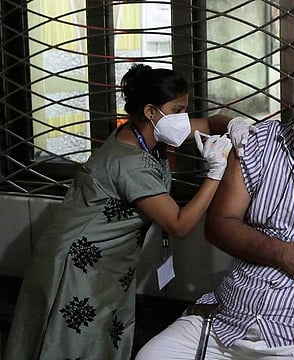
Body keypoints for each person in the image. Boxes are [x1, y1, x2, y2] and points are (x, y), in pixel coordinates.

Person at [136, 49, 294, 359]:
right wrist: (282, 253)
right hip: (234, 314)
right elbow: (219, 224)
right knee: (152, 356)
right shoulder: (260, 144)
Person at [3, 63, 253, 360]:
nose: (183, 119)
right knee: (74, 343)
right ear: (151, 111)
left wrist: (235, 124)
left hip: (108, 263)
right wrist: (215, 172)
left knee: (104, 336)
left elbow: (212, 123)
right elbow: (179, 225)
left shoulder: (145, 134)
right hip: (78, 266)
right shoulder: (130, 162)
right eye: (177, 110)